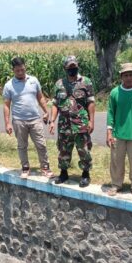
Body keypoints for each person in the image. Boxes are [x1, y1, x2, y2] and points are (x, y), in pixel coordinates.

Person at [3, 57, 53, 179]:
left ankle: (45, 168)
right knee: (22, 146)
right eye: (17, 70)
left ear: (25, 67)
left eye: (22, 69)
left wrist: (46, 111)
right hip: (19, 121)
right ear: (13, 70)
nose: (20, 72)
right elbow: (6, 105)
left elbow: (40, 97)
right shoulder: (9, 85)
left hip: (35, 119)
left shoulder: (34, 81)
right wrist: (7, 123)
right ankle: (25, 168)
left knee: (41, 144)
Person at [49, 55, 95, 188]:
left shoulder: (86, 82)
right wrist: (52, 121)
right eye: (70, 67)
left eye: (74, 67)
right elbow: (55, 103)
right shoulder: (59, 84)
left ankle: (85, 174)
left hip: (81, 123)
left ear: (78, 66)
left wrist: (91, 121)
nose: (72, 69)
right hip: (64, 124)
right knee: (63, 149)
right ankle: (63, 173)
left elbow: (91, 102)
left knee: (83, 149)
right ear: (65, 68)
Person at [105, 63, 132, 198]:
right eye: (126, 75)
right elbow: (111, 113)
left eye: (131, 75)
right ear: (121, 77)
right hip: (118, 134)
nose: (128, 78)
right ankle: (116, 184)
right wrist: (109, 132)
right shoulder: (115, 92)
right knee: (116, 161)